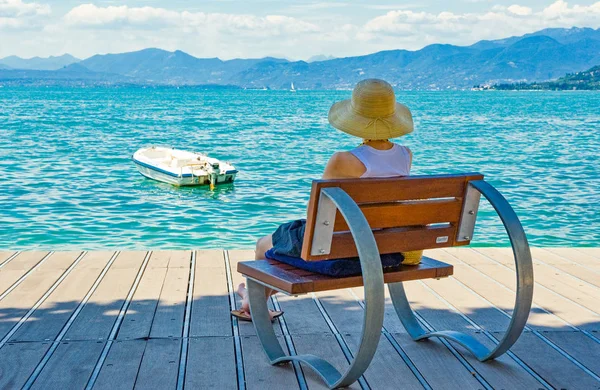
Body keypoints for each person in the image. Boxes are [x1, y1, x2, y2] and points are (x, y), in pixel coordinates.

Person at [232, 78, 419, 321]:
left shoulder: (344, 160)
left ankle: (253, 303)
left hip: (340, 251)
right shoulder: (406, 155)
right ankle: (251, 299)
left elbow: (317, 215)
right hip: (384, 249)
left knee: (264, 244)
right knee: (286, 237)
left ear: (355, 119)